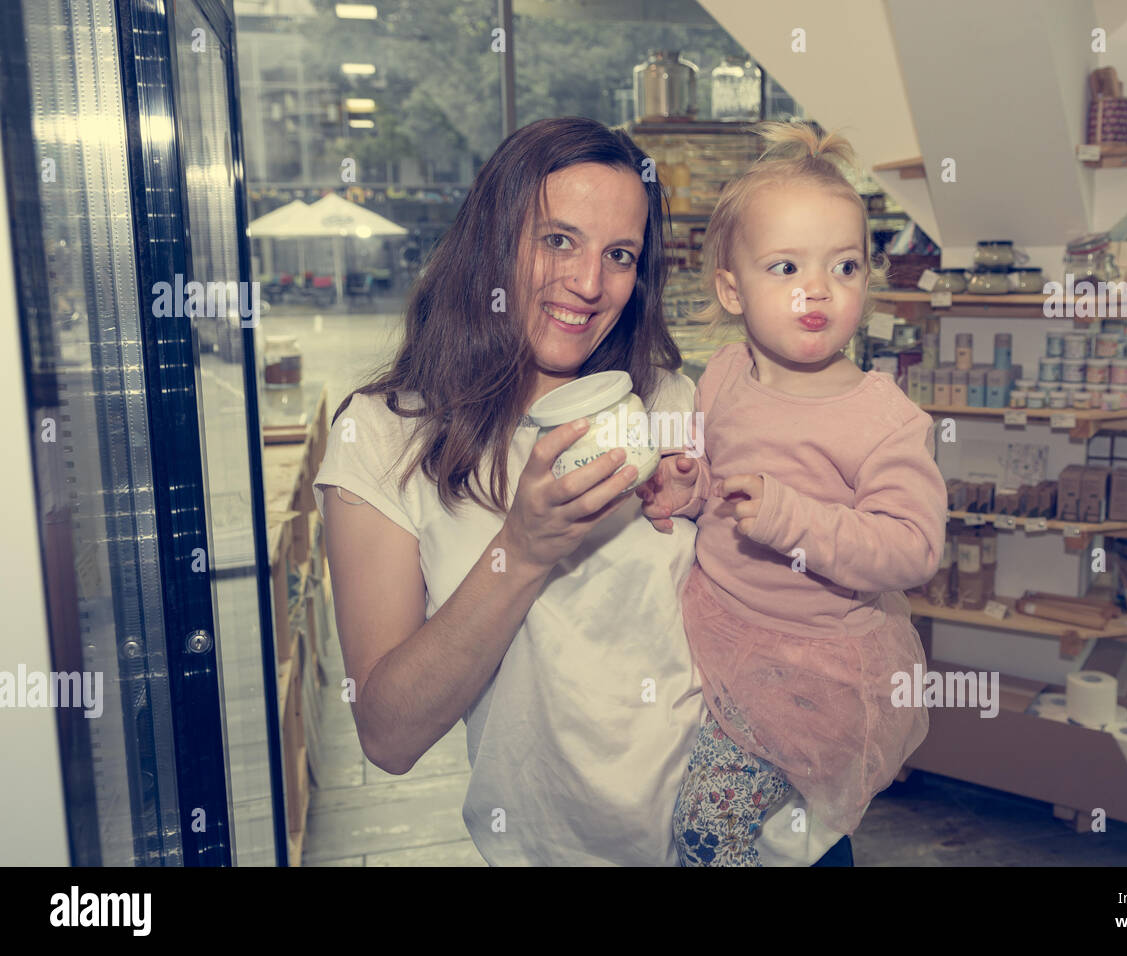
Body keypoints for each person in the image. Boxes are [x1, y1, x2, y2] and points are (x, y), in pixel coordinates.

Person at [313, 116, 845, 865]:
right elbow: (387, 734)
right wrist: (523, 552)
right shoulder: (382, 437)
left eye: (619, 254)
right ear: (492, 239)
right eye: (558, 240)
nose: (590, 284)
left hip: (772, 839)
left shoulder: (666, 397)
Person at [637, 121, 947, 866]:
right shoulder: (724, 375)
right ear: (730, 289)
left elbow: (912, 548)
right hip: (719, 631)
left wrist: (790, 517)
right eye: (785, 267)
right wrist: (685, 487)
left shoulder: (882, 419)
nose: (818, 289)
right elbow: (718, 483)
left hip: (815, 671)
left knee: (710, 830)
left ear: (869, 281)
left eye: (845, 266)